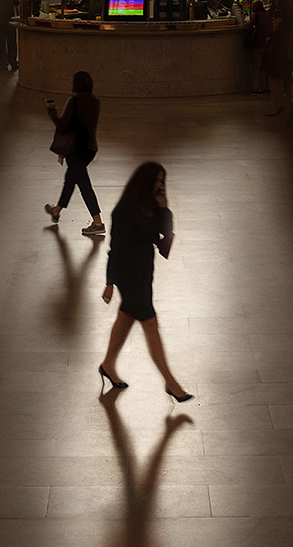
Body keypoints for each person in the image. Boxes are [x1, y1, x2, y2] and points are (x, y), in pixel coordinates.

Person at [98, 161, 192, 401]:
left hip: (143, 273)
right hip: (128, 276)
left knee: (126, 317)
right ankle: (171, 383)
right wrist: (109, 281)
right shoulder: (124, 210)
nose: (160, 185)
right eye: (157, 180)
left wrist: (164, 206)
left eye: (163, 181)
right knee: (150, 324)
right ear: (146, 181)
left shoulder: (150, 207)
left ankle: (108, 364)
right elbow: (114, 248)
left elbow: (163, 234)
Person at [44, 71, 105, 236]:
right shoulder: (95, 102)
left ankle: (98, 223)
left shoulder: (74, 101)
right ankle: (56, 212)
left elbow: (63, 124)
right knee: (71, 179)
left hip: (75, 149)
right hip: (89, 149)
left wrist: (52, 112)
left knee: (83, 185)